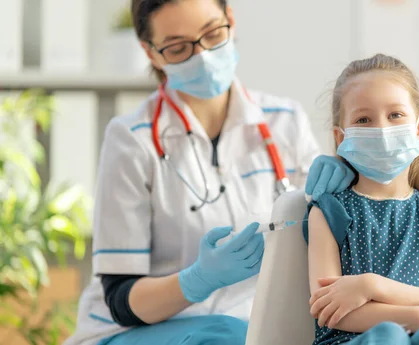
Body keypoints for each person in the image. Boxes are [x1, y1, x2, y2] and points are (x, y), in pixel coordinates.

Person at [64, 1, 354, 345]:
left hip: (255, 324)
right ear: (151, 53)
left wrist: (347, 186)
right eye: (178, 47)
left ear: (230, 20)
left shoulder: (285, 121)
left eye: (213, 34)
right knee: (226, 337)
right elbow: (120, 299)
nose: (201, 55)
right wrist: (197, 280)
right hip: (138, 330)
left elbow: (328, 241)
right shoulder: (132, 139)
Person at [303, 54, 419, 345]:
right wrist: (418, 315)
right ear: (341, 137)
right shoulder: (329, 213)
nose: (382, 129)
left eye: (395, 115)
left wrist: (370, 286)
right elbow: (330, 312)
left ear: (418, 128)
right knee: (388, 335)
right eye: (363, 119)